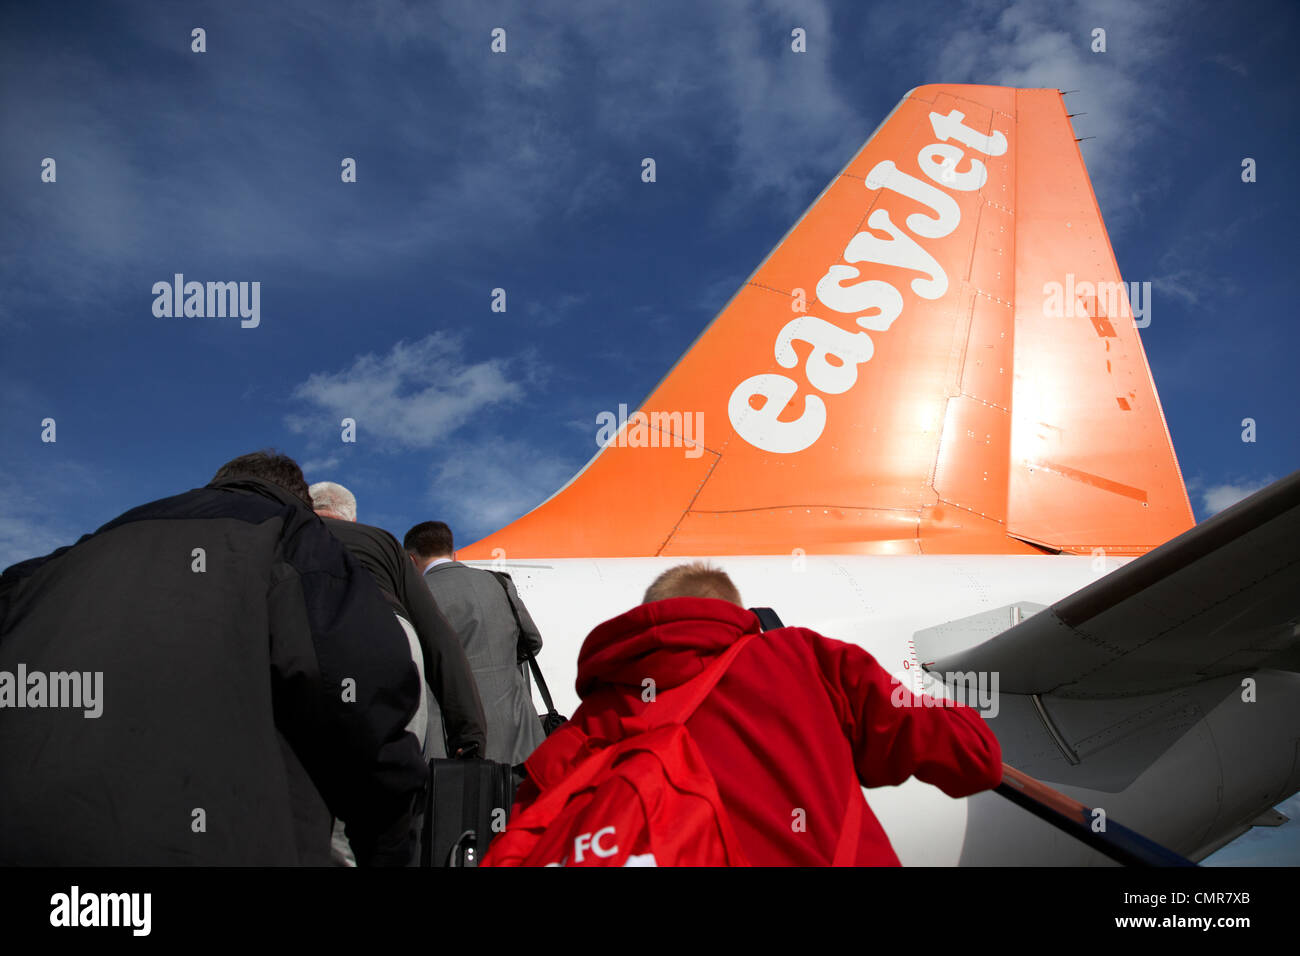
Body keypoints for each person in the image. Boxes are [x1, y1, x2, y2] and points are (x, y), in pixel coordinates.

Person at [0, 450, 426, 866]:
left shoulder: (79, 552)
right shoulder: (297, 537)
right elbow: (361, 692)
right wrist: (387, 845)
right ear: (301, 501)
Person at [506, 562, 1004, 865]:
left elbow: (530, 834)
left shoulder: (582, 731)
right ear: (736, 616)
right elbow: (974, 759)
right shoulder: (803, 658)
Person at [404, 521, 545, 765]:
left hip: (451, 741)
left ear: (411, 560)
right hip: (517, 730)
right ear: (453, 553)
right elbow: (532, 641)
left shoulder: (411, 596)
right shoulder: (499, 584)